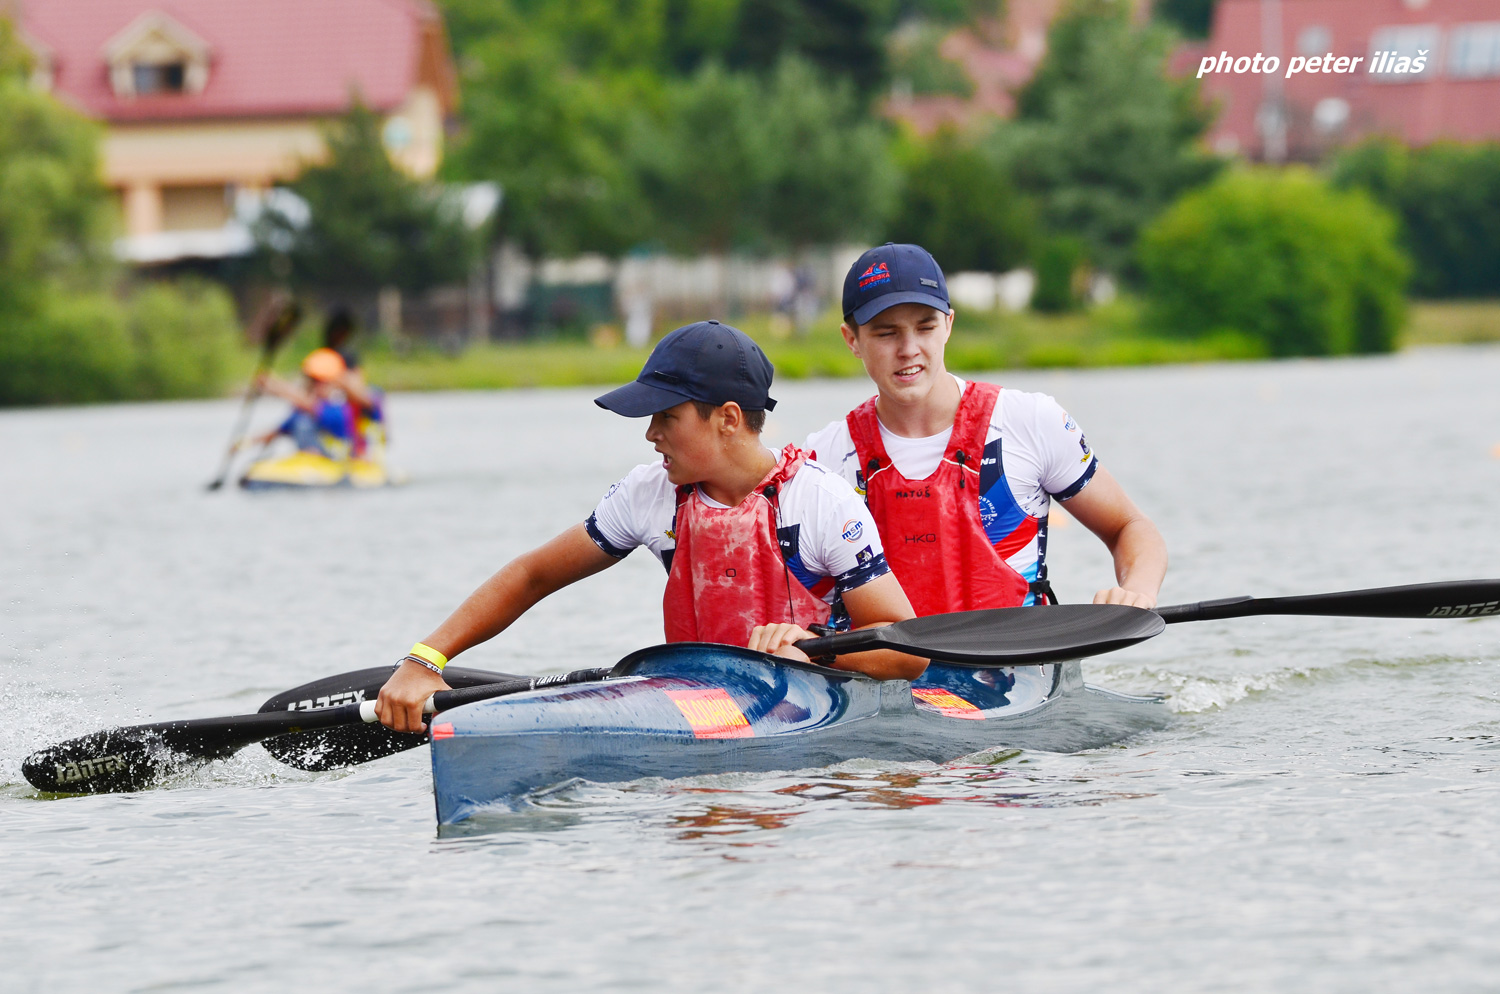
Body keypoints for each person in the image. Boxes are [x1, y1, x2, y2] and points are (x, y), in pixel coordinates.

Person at [375, 320, 924, 733]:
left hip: (815, 702)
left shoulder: (823, 503)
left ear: (728, 419)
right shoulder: (650, 493)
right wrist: (425, 659)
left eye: (667, 417)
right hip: (698, 700)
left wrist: (814, 647)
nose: (650, 434)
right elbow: (532, 576)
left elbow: (907, 652)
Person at [805, 243, 1167, 617]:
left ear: (948, 324)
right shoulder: (822, 460)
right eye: (886, 334)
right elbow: (789, 593)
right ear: (852, 341)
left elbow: (1130, 526)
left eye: (925, 327)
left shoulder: (1031, 421)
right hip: (882, 674)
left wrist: (1136, 592)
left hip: (1014, 669)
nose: (909, 349)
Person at [251, 347, 356, 458]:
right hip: (308, 465)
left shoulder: (339, 409)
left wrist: (276, 386)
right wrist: (246, 443)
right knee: (301, 421)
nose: (314, 386)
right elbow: (277, 432)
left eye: (320, 382)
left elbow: (311, 405)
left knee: (304, 424)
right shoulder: (301, 413)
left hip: (337, 464)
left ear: (334, 383)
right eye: (312, 381)